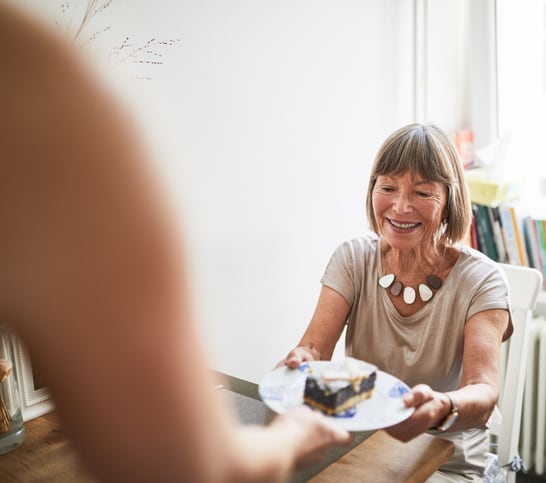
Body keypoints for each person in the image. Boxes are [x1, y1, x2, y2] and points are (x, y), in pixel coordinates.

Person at [0, 2, 350, 482]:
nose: (400, 205)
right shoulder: (35, 90)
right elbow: (190, 464)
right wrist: (292, 434)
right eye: (389, 188)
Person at [283, 123, 512, 482]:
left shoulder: (481, 279)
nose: (401, 206)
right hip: (363, 451)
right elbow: (314, 348)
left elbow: (483, 391)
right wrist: (302, 361)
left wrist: (441, 407)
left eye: (422, 192)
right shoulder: (353, 259)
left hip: (448, 463)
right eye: (388, 187)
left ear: (449, 199)